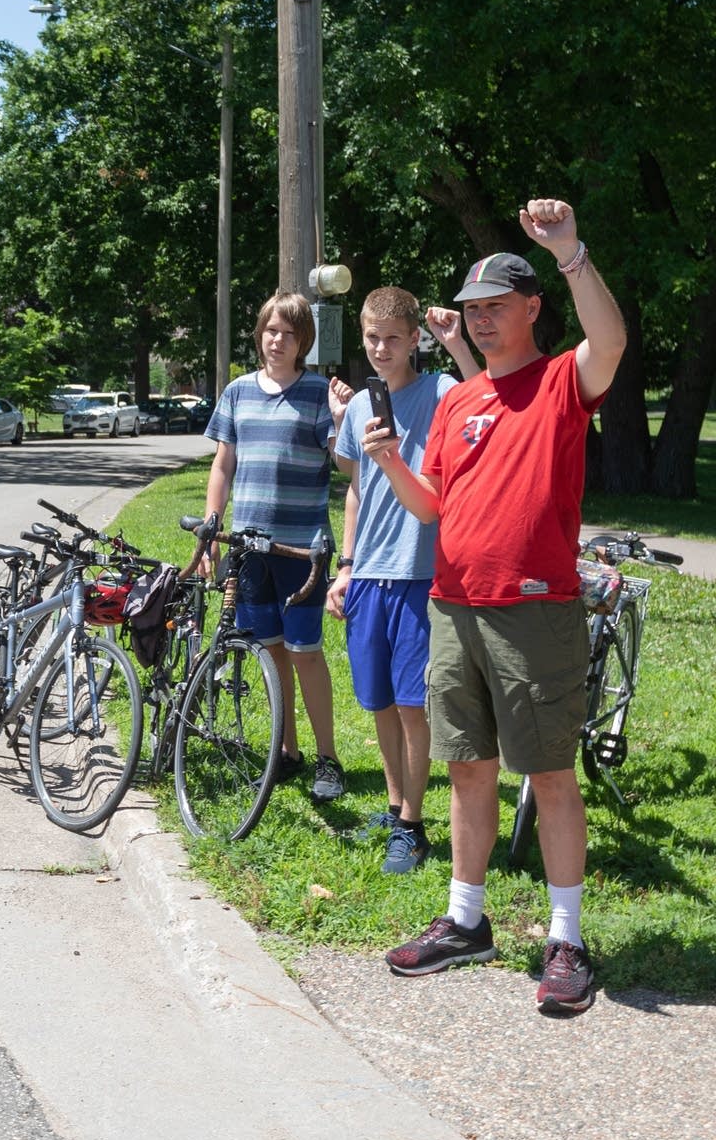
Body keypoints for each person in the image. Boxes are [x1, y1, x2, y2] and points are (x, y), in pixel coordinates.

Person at [364, 201, 626, 1016]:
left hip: (533, 612)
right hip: (454, 608)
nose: (481, 322)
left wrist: (570, 251)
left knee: (548, 774)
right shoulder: (458, 401)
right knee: (468, 767)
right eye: (473, 311)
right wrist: (386, 464)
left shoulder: (559, 384)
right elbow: (433, 505)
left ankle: (566, 939)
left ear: (531, 310)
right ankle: (466, 920)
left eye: (496, 309)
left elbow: (609, 341)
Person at [326, 292, 482, 873]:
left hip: (420, 573)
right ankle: (395, 807)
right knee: (381, 703)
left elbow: (484, 394)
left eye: (393, 337)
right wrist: (345, 566)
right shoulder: (365, 401)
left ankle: (413, 826)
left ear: (413, 337)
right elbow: (355, 484)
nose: (381, 348)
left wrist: (456, 342)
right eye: (371, 338)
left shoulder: (440, 389)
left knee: (415, 707)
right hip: (368, 573)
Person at [201, 291, 345, 800]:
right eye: (269, 330)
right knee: (269, 652)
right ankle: (288, 751)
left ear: (303, 339)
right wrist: (212, 527)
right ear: (259, 334)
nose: (277, 340)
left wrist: (342, 420)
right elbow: (223, 465)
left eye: (287, 332)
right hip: (251, 549)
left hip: (301, 552)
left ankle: (328, 758)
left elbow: (345, 466)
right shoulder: (237, 392)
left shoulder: (317, 393)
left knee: (306, 653)